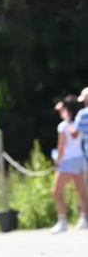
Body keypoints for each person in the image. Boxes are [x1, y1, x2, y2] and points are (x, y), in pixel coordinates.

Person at [51, 96, 88, 232]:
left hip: (67, 161)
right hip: (80, 158)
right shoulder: (79, 125)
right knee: (81, 191)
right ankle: (84, 218)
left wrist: (57, 161)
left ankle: (62, 220)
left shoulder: (63, 127)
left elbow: (61, 146)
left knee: (56, 192)